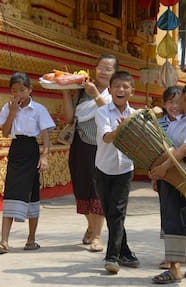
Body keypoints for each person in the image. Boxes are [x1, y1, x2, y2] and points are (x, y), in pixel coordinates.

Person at [149, 82, 186, 284]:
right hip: (170, 169)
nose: (177, 101)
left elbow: (184, 149)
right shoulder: (178, 121)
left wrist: (164, 169)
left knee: (175, 217)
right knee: (183, 218)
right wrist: (160, 174)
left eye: (180, 97)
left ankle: (175, 268)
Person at [0, 72, 55, 255]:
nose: (18, 93)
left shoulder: (39, 109)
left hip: (31, 150)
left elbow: (45, 135)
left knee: (32, 193)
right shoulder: (8, 107)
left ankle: (31, 238)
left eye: (22, 89)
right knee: (11, 191)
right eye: (14, 90)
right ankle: (4, 241)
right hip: (16, 149)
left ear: (30, 90)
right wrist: (12, 112)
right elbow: (4, 132)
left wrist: (44, 156)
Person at [62, 54, 119, 252]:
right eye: (100, 67)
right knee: (82, 188)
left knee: (98, 190)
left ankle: (97, 235)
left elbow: (112, 117)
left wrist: (96, 95)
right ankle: (91, 225)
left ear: (115, 74)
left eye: (108, 68)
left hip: (102, 146)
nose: (103, 71)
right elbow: (69, 118)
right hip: (80, 144)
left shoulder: (115, 93)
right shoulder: (82, 89)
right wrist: (65, 92)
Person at [94, 71, 139, 274]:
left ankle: (112, 257)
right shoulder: (102, 112)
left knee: (117, 211)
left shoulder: (136, 115)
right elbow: (107, 138)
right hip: (103, 167)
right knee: (111, 213)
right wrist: (122, 129)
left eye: (125, 86)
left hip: (124, 168)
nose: (121, 90)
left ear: (132, 91)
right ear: (110, 90)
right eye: (117, 86)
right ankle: (125, 251)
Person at [154, 86, 186, 270]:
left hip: (184, 171)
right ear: (163, 104)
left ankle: (183, 251)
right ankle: (170, 254)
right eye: (170, 101)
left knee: (184, 211)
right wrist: (154, 176)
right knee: (167, 212)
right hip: (163, 173)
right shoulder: (157, 124)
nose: (174, 105)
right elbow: (153, 151)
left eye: (177, 101)